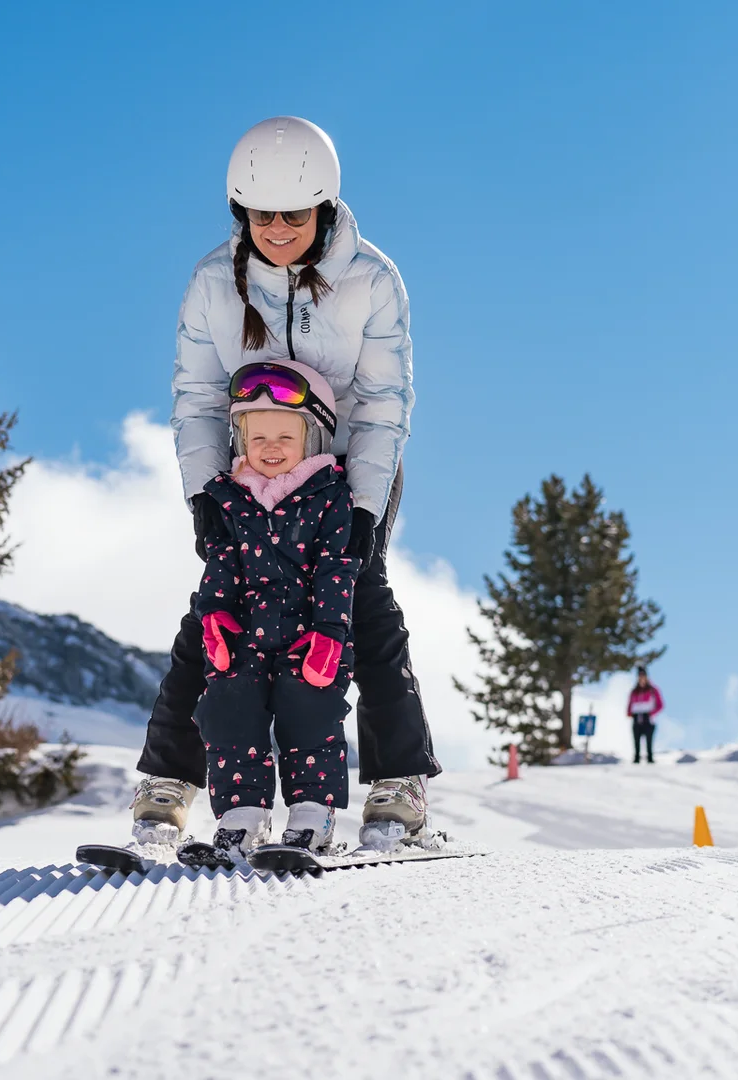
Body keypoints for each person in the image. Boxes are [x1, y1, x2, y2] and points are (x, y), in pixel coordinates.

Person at [132, 115, 439, 851]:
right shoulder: (214, 281)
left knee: (363, 602)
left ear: (323, 209)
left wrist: (363, 507)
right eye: (261, 214)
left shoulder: (372, 281)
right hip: (250, 470)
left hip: (351, 467)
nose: (276, 230)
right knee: (217, 610)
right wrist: (204, 492)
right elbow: (198, 397)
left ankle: (399, 782)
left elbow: (383, 402)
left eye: (293, 215)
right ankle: (169, 780)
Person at [178, 360, 359, 865]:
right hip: (244, 635)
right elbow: (220, 560)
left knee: (310, 718)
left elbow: (337, 565)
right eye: (258, 437)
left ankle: (312, 816)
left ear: (313, 439)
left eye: (285, 436)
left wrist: (330, 631)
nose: (270, 447)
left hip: (310, 638)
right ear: (241, 440)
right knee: (228, 714)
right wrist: (214, 615)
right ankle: (242, 818)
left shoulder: (329, 497)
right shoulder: (229, 498)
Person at [627, 667, 665, 764]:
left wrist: (651, 713)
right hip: (636, 717)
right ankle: (636, 759)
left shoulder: (653, 690)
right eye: (640, 676)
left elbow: (660, 705)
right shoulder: (634, 691)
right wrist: (630, 713)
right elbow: (630, 704)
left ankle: (650, 759)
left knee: (649, 740)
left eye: (643, 675)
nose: (641, 678)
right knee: (636, 740)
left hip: (648, 719)